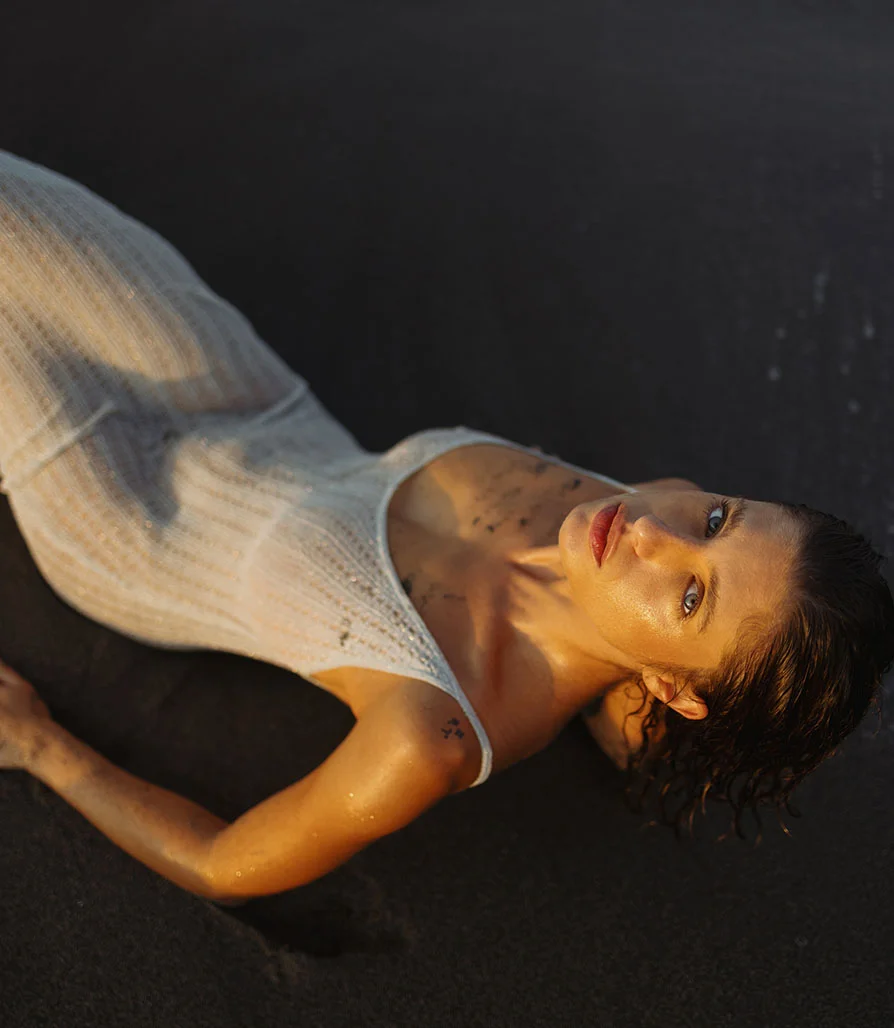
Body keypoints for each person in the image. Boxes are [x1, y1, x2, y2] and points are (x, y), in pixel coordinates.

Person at [0, 150, 891, 904]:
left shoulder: (433, 732)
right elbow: (643, 687)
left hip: (126, 520)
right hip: (249, 400)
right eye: (722, 516)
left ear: (674, 686)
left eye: (694, 595)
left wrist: (41, 747)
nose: (657, 531)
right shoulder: (640, 516)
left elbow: (225, 865)